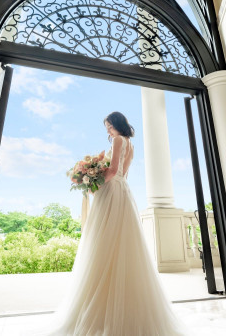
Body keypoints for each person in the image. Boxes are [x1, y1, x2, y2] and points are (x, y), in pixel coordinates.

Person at [47, 112, 187, 335]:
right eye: (107, 128)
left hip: (111, 192)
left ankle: (101, 308)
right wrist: (93, 175)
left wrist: (92, 184)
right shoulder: (130, 143)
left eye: (109, 126)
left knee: (103, 242)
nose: (108, 131)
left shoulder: (118, 140)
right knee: (121, 242)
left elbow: (112, 171)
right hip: (123, 191)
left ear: (117, 125)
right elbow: (123, 174)